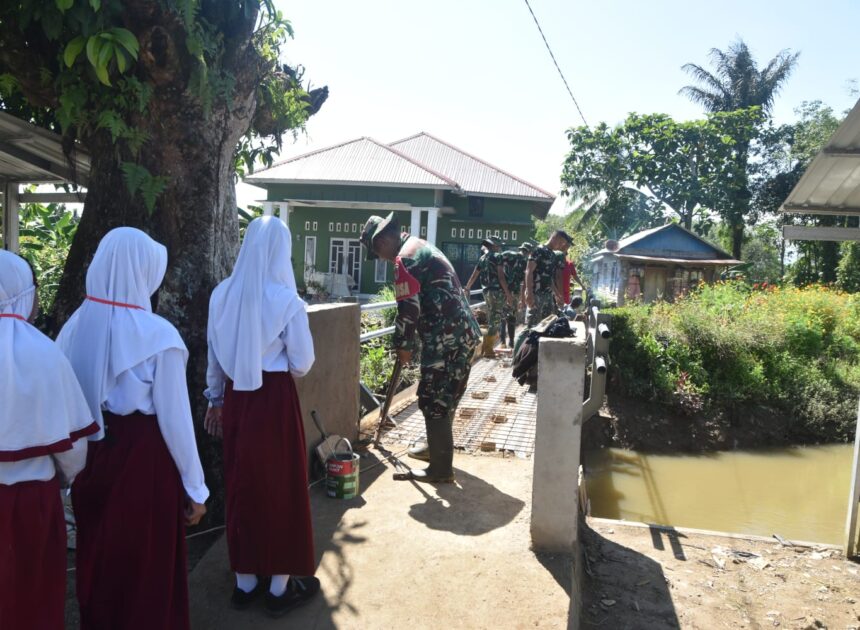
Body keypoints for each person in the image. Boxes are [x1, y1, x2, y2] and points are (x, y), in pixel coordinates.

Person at [57, 227, 208, 630]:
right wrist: (196, 488)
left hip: (91, 458)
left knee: (100, 561)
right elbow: (176, 421)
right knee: (145, 567)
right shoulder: (158, 336)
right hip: (143, 461)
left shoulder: (73, 328)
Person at [204, 216, 318, 617]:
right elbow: (303, 362)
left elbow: (214, 356)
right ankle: (279, 587)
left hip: (236, 398)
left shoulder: (221, 295)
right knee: (281, 486)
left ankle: (245, 581)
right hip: (273, 401)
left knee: (243, 482)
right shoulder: (287, 302)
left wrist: (214, 398)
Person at [0, 251, 97, 630]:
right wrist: (65, 479)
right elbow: (73, 449)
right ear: (22, 293)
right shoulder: (44, 352)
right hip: (32, 499)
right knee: (32, 596)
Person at [360, 212, 480, 481]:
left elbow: (408, 309)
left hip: (445, 339)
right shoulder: (420, 246)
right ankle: (434, 450)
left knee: (433, 399)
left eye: (377, 252)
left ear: (382, 241)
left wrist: (403, 345)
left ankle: (440, 470)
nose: (381, 258)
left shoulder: (405, 260)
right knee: (447, 395)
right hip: (463, 334)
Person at [463, 236, 513, 357]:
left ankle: (486, 348)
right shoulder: (498, 256)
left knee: (491, 317)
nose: (500, 247)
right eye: (498, 245)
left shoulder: (483, 258)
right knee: (495, 319)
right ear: (494, 245)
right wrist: (508, 293)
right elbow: (501, 277)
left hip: (486, 292)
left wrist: (467, 287)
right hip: (497, 292)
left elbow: (475, 274)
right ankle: (488, 350)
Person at [523, 230, 572, 329]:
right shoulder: (538, 250)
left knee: (545, 326)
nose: (561, 246)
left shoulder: (552, 255)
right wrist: (529, 292)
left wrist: (557, 294)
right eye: (560, 243)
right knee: (531, 326)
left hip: (548, 295)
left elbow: (549, 278)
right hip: (536, 294)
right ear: (555, 238)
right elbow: (529, 271)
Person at [498, 241, 534, 348]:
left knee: (502, 317)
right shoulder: (526, 262)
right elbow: (524, 283)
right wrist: (522, 299)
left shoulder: (507, 254)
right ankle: (511, 342)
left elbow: (497, 264)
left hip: (503, 291)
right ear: (529, 252)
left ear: (521, 249)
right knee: (512, 317)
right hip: (515, 292)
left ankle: (502, 342)